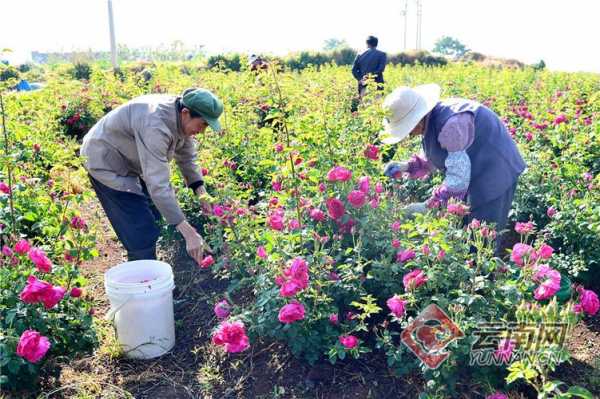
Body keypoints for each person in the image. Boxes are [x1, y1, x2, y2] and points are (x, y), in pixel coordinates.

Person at [80, 88, 223, 264]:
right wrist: (189, 233)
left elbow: (187, 156)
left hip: (130, 155)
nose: (202, 131)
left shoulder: (180, 114)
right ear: (185, 113)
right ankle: (144, 281)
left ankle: (148, 263)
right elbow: (159, 186)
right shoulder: (156, 125)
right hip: (104, 159)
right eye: (203, 124)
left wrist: (201, 192)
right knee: (139, 228)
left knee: (154, 216)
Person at [381, 84, 526, 252]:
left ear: (417, 120)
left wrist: (428, 206)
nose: (408, 135)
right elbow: (437, 155)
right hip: (473, 168)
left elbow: (457, 181)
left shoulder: (453, 125)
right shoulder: (431, 120)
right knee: (463, 225)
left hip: (496, 170)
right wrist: (407, 166)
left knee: (482, 236)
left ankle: (483, 275)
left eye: (407, 129)